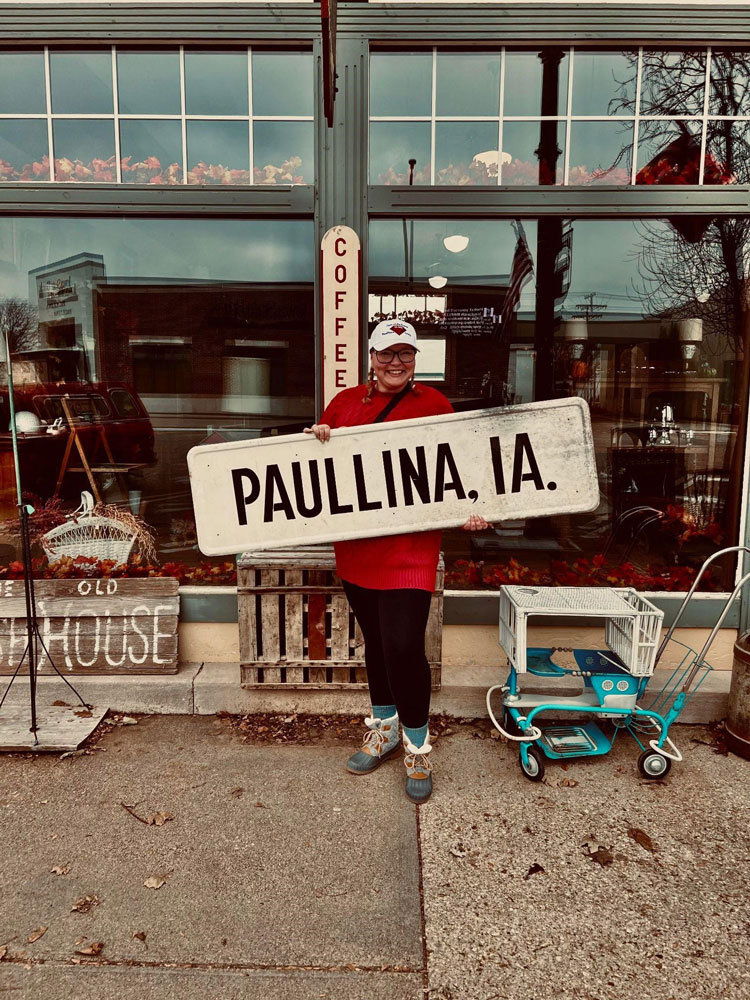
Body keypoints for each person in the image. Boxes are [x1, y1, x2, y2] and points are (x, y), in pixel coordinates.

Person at [305, 318, 489, 803]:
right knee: (379, 646)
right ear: (371, 357)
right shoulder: (345, 404)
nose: (395, 362)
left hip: (411, 548)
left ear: (415, 359)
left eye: (405, 353)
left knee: (405, 646)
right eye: (387, 353)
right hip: (359, 548)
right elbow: (321, 469)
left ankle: (417, 745)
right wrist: (318, 438)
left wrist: (471, 507)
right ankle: (383, 728)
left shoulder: (435, 405)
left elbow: (460, 467)